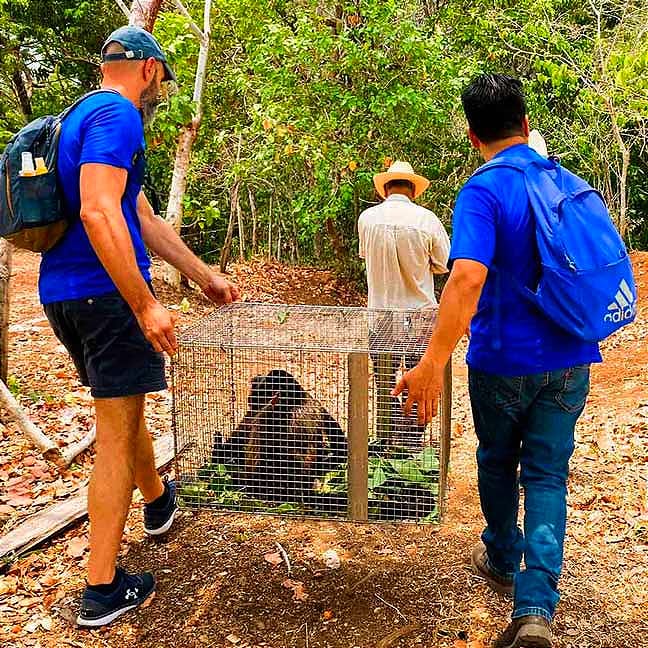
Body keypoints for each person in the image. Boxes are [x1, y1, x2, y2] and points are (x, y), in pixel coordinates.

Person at [39, 26, 239, 627]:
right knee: (116, 436)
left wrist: (204, 276)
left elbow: (140, 216)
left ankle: (156, 503)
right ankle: (102, 588)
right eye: (163, 83)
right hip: (105, 296)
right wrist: (145, 302)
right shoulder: (119, 116)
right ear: (149, 70)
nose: (161, 97)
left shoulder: (79, 117)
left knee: (121, 408)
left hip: (66, 295)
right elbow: (99, 210)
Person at [393, 74, 601, 648]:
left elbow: (466, 276)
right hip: (568, 355)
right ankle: (535, 606)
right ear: (527, 124)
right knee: (547, 473)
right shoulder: (566, 181)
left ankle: (504, 557)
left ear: (471, 133)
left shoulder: (482, 191)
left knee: (496, 460)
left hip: (502, 360)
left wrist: (434, 360)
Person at [359, 160, 450, 445]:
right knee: (417, 383)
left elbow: (366, 256)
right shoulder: (427, 220)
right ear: (413, 189)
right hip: (419, 316)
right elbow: (444, 263)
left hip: (380, 315)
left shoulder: (367, 218)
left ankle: (386, 441)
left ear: (385, 189)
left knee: (385, 384)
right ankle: (410, 445)